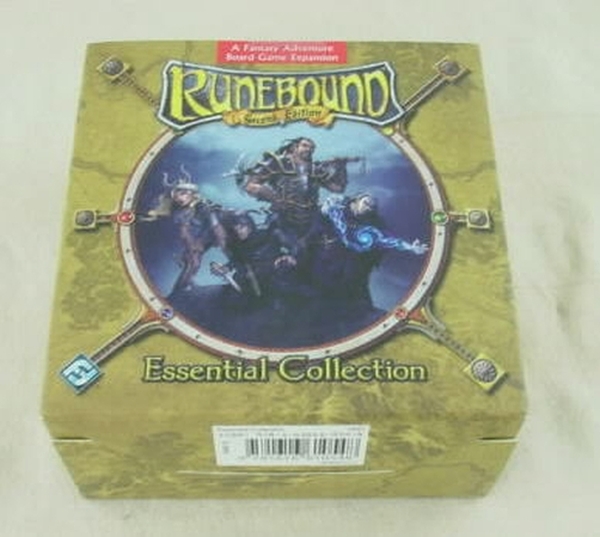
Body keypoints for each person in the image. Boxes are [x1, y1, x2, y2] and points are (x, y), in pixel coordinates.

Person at [241, 137, 361, 259]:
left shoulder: (314, 169)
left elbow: (338, 188)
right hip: (284, 219)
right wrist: (274, 198)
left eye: (312, 148)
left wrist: (341, 166)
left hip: (311, 222)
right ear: (294, 147)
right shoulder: (278, 163)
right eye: (305, 145)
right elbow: (250, 185)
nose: (309, 149)